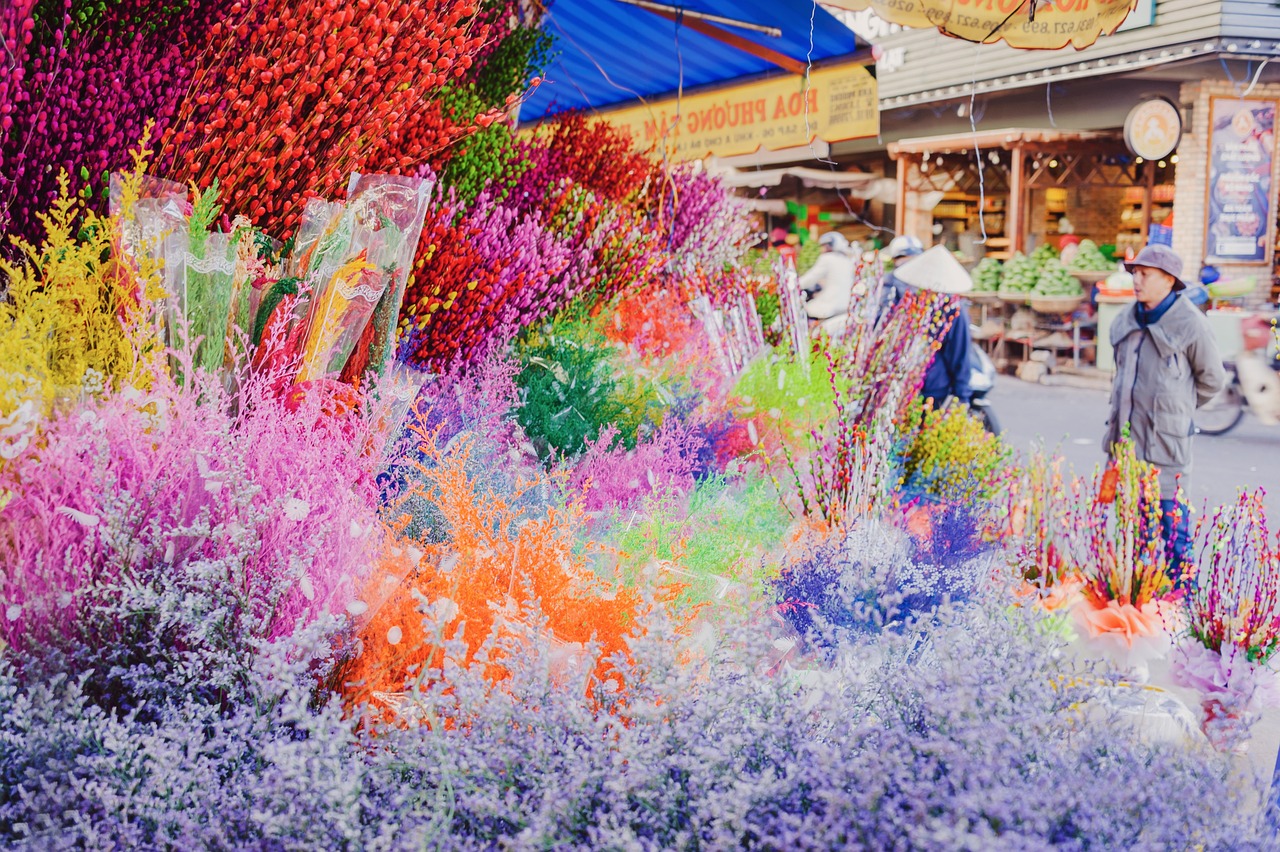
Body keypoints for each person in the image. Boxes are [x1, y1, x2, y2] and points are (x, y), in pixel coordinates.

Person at [1103, 244, 1226, 586]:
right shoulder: (1126, 320)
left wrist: (1177, 410)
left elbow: (1212, 380)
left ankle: (1181, 617)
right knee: (1132, 539)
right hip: (1125, 448)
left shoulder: (1191, 324)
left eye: (1145, 274)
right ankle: (1139, 610)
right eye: (1134, 273)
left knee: (1174, 541)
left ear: (1169, 280)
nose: (1136, 280)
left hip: (1166, 450)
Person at [882, 243, 973, 408]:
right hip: (929, 388)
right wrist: (962, 396)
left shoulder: (904, 299)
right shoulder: (952, 308)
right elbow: (960, 355)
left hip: (898, 385)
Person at [799, 231, 857, 327]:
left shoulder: (827, 259)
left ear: (829, 246)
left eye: (823, 246)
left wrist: (792, 284)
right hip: (845, 306)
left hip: (830, 307)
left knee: (805, 310)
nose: (821, 249)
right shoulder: (847, 260)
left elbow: (808, 280)